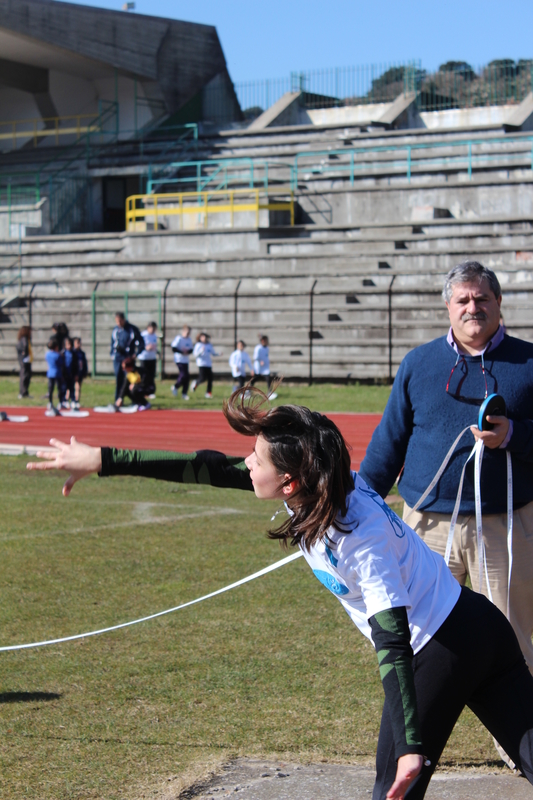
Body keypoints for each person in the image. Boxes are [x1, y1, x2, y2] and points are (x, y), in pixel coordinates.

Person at [27, 388, 533, 800]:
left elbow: (393, 639)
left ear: (288, 481)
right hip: (481, 625)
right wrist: (103, 459)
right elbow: (205, 467)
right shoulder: (323, 484)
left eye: (256, 457)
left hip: (437, 648)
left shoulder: (358, 539)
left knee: (392, 791)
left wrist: (410, 744)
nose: (246, 462)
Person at [359, 259, 533, 762]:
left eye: (481, 299)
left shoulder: (530, 363)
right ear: (448, 307)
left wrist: (516, 436)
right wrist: (357, 504)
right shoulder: (419, 363)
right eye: (463, 300)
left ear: (499, 305)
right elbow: (389, 442)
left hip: (504, 529)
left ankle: (518, 747)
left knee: (512, 637)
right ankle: (416, 739)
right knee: (413, 637)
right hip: (423, 529)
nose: (472, 308)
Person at [110, 312, 144, 402]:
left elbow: (141, 343)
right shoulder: (115, 330)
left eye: (120, 321)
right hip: (118, 358)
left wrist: (135, 354)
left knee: (130, 380)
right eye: (117, 321)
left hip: (128, 359)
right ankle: (118, 399)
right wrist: (112, 354)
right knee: (119, 378)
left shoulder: (132, 329)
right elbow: (112, 343)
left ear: (123, 319)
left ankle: (135, 400)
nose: (118, 323)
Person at [192, 332, 220, 399]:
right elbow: (195, 355)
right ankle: (196, 382)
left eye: (205, 337)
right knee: (202, 378)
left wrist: (218, 354)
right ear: (200, 338)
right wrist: (201, 351)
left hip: (208, 364)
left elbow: (213, 353)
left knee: (210, 379)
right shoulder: (198, 345)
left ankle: (208, 392)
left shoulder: (209, 345)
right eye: (202, 337)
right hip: (201, 364)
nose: (204, 338)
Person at [171, 325, 193, 401]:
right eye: (186, 332)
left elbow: (191, 349)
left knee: (187, 377)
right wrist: (181, 352)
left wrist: (188, 352)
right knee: (183, 374)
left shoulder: (189, 339)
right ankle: (176, 386)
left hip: (185, 360)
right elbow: (174, 348)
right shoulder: (179, 338)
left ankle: (184, 393)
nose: (188, 334)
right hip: (179, 359)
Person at [138, 321, 158, 398]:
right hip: (144, 358)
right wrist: (145, 347)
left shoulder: (154, 336)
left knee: (151, 375)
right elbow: (138, 344)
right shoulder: (143, 335)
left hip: (152, 357)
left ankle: (150, 392)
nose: (153, 330)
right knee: (144, 376)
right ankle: (143, 391)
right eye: (151, 328)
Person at [252, 335, 277, 399]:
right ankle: (248, 391)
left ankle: (269, 393)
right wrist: (260, 361)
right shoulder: (258, 348)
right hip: (259, 368)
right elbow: (255, 357)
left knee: (268, 379)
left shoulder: (267, 348)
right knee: (254, 380)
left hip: (265, 368)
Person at [45, 338, 61, 413]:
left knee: (50, 389)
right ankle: (60, 402)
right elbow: (60, 364)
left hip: (50, 373)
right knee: (59, 388)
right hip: (57, 373)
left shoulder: (47, 354)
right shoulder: (57, 355)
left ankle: (50, 402)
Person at [16, 325, 32, 399]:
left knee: (26, 376)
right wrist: (24, 355)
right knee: (24, 376)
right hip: (25, 361)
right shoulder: (24, 339)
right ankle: (23, 392)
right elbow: (24, 348)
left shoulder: (24, 339)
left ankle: (25, 392)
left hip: (26, 360)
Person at [72, 337, 88, 411]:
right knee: (74, 387)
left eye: (79, 343)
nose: (78, 345)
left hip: (80, 372)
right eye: (77, 343)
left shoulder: (82, 353)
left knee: (78, 387)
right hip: (74, 372)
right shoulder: (72, 353)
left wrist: (85, 371)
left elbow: (84, 363)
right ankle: (71, 400)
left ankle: (77, 400)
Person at [62, 337, 75, 409]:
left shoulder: (73, 353)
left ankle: (73, 401)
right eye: (67, 344)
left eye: (70, 344)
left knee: (71, 388)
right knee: (64, 388)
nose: (69, 346)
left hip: (71, 374)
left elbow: (75, 364)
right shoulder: (63, 353)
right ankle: (64, 401)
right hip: (65, 374)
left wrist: (76, 373)